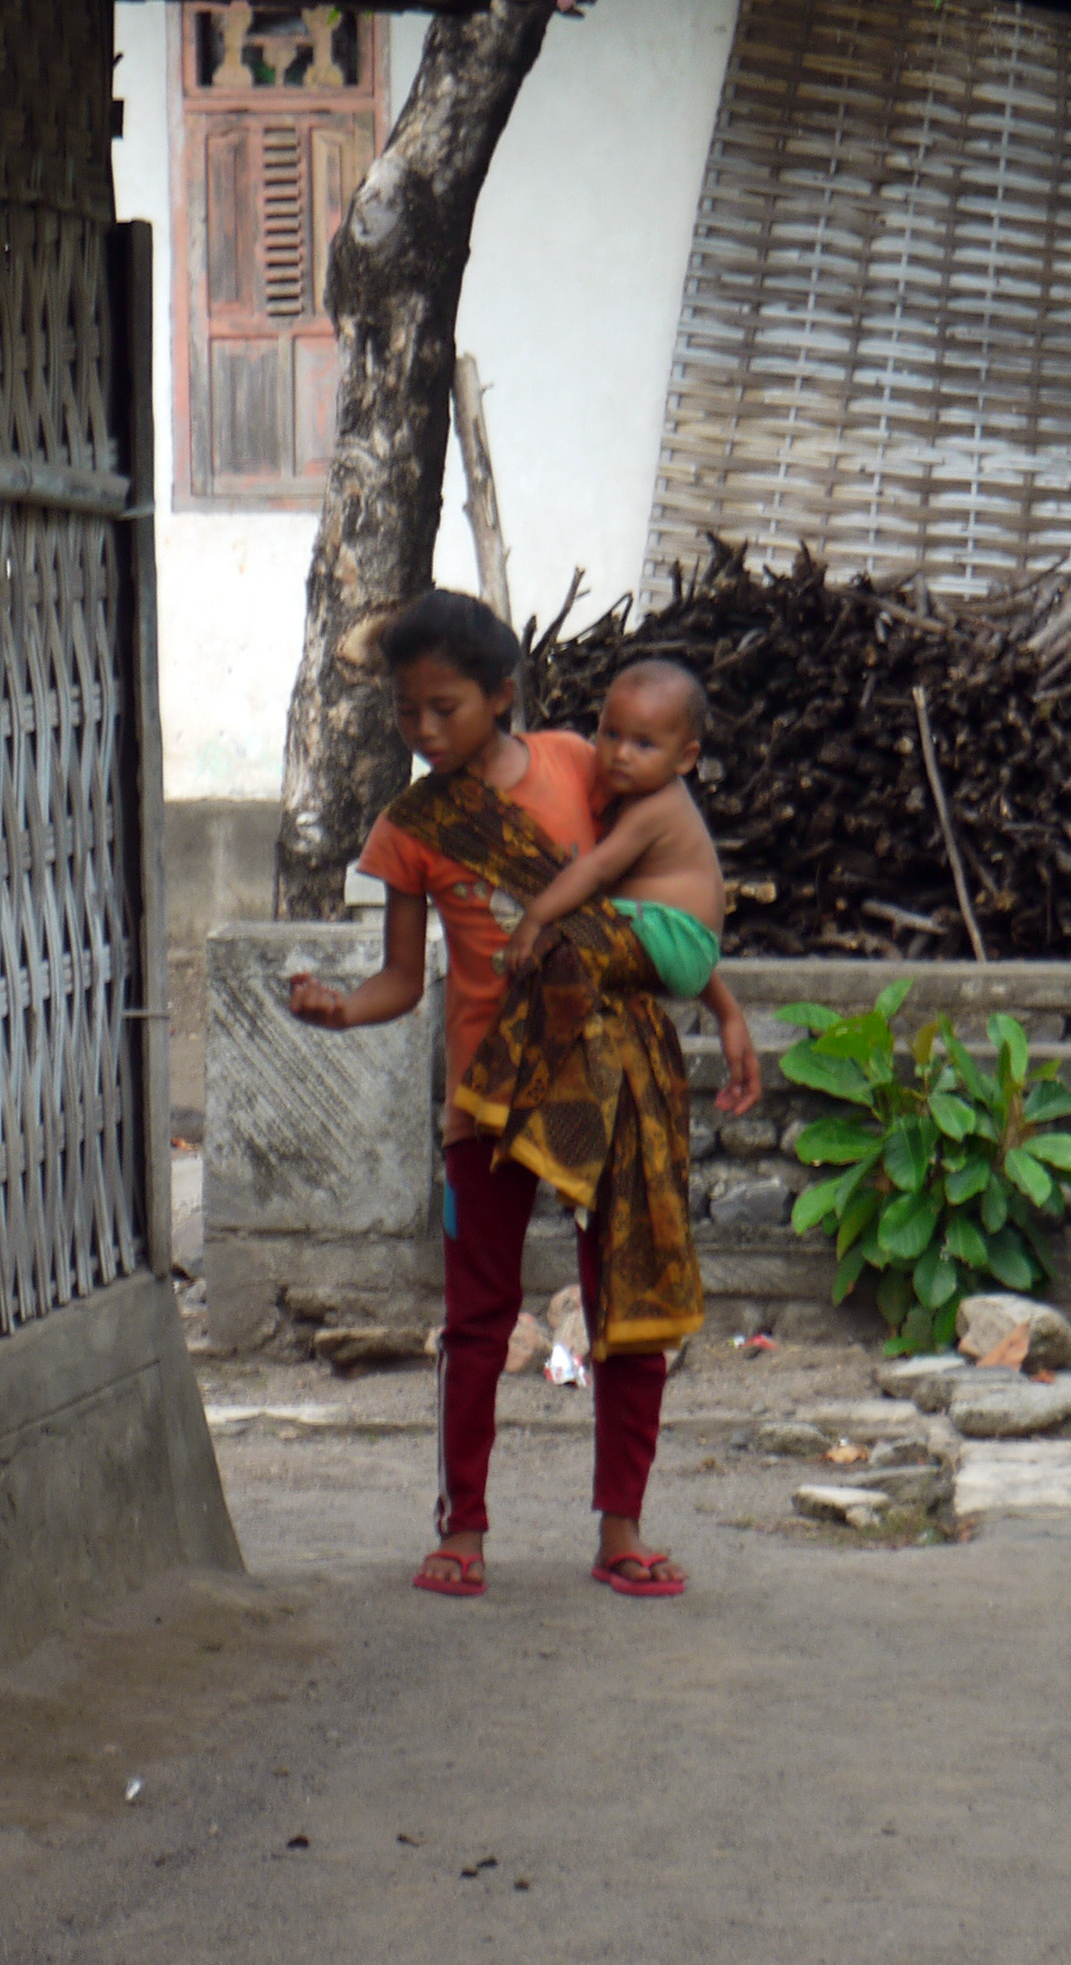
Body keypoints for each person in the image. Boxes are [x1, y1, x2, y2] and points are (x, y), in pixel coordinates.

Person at [286, 592, 760, 1602]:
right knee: (476, 1317)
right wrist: (341, 1010)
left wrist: (724, 1010)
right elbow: (402, 980)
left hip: (609, 1077)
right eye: (406, 711)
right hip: (486, 1100)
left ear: (501, 696)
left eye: (444, 708)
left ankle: (621, 1528)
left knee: (628, 1303)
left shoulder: (583, 765)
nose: (423, 730)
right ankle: (462, 1527)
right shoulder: (411, 828)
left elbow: (649, 907)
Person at [497, 658, 725, 1003]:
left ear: (685, 758)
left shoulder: (657, 806)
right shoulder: (638, 796)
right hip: (678, 942)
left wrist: (535, 918)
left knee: (557, 938)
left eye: (644, 744)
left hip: (673, 936)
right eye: (611, 734)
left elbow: (597, 870)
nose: (620, 754)